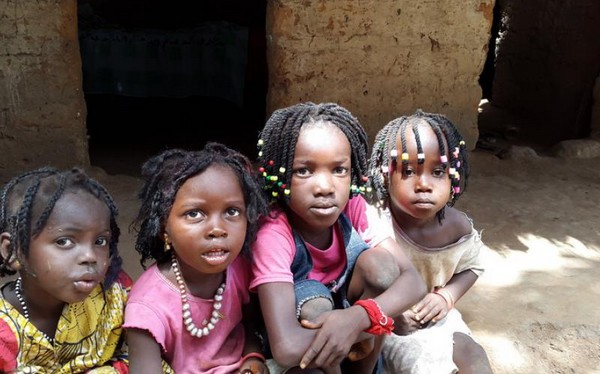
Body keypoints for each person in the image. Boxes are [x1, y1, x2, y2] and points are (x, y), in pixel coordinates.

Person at [251, 102, 427, 373]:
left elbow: (413, 282)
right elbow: (285, 347)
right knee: (315, 306)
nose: (324, 187)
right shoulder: (273, 232)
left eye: (339, 170)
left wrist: (357, 318)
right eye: (303, 171)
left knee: (380, 268)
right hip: (302, 347)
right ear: (279, 175)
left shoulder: (353, 207)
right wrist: (372, 324)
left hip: (354, 335)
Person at [123, 142, 271, 374]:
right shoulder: (147, 307)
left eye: (232, 211)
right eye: (194, 214)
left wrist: (253, 356)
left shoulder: (239, 269)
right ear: (164, 228)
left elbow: (248, 324)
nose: (217, 229)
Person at [367, 110, 493, 374]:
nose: (423, 184)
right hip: (392, 324)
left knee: (475, 357)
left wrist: (447, 297)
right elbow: (359, 283)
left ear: (454, 177)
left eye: (437, 171)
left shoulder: (458, 227)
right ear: (385, 174)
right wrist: (389, 313)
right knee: (423, 362)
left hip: (439, 317)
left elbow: (473, 266)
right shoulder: (375, 225)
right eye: (409, 170)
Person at [0, 167, 131, 373]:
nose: (89, 256)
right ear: (14, 251)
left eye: (100, 241)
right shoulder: (3, 332)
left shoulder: (116, 296)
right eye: (64, 241)